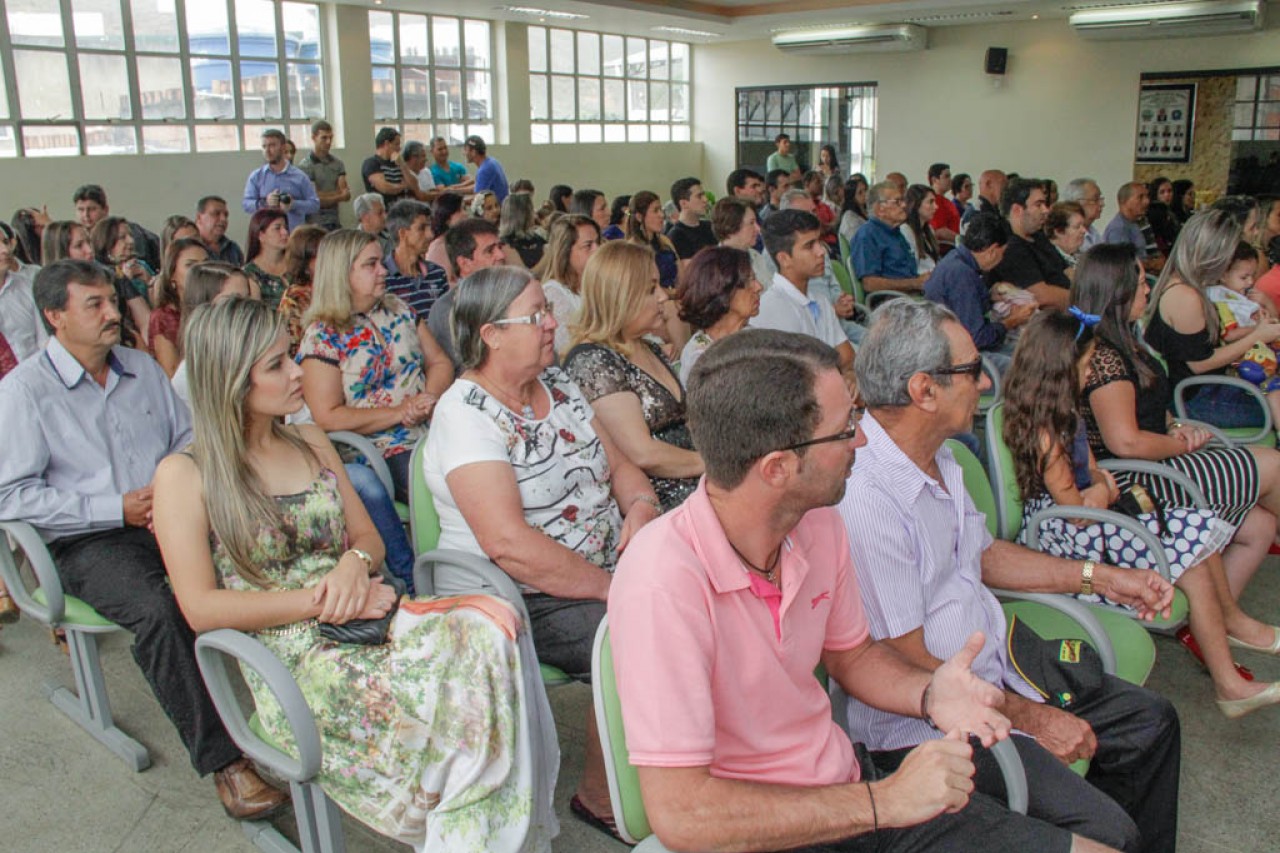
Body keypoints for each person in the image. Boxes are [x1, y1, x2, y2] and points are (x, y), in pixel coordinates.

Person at [611, 327, 1106, 853]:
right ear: (777, 468)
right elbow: (683, 814)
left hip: (848, 793)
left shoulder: (817, 524)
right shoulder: (661, 581)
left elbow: (854, 655)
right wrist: (885, 802)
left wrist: (931, 693)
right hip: (761, 831)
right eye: (845, 428)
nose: (863, 438)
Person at [152, 296, 553, 853]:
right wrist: (325, 598)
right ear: (232, 382)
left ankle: (464, 831)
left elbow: (368, 540)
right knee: (455, 693)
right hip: (288, 654)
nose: (297, 371)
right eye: (276, 365)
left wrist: (352, 564)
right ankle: (463, 827)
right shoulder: (185, 474)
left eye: (290, 355)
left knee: (495, 625)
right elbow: (200, 608)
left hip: (363, 611)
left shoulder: (311, 441)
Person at [841, 299, 1181, 853]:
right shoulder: (868, 499)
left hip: (1005, 669)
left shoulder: (938, 457)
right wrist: (1030, 717)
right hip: (935, 722)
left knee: (1150, 722)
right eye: (973, 370)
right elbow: (901, 659)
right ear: (924, 390)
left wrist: (1098, 577)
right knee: (1108, 833)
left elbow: (982, 553)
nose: (985, 382)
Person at [0, 259, 287, 821]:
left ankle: (304, 697)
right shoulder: (24, 391)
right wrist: (115, 507)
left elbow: (185, 438)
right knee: (161, 606)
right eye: (95, 305)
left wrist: (176, 491)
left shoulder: (140, 368)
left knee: (262, 552)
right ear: (55, 317)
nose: (113, 313)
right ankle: (227, 762)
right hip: (89, 539)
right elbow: (10, 495)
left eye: (113, 299)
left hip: (168, 514)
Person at [424, 265, 661, 834]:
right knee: (647, 630)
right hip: (528, 591)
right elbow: (508, 544)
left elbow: (622, 466)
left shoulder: (557, 385)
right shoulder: (465, 415)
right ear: (491, 335)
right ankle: (601, 797)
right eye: (536, 316)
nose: (552, 323)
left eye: (546, 311)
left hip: (608, 561)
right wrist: (612, 586)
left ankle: (690, 761)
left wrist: (641, 509)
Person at [1004, 309, 1280, 717]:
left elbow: (1094, 469)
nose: (1088, 373)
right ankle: (1229, 669)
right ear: (1060, 369)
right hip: (1062, 532)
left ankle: (1231, 656)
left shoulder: (1063, 411)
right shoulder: (1044, 431)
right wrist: (1100, 488)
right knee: (1190, 555)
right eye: (1084, 365)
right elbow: (1076, 511)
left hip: (1088, 516)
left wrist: (1098, 484)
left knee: (1194, 539)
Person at [1074, 242, 1280, 602]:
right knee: (1275, 466)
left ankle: (1216, 617)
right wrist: (1179, 443)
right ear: (1117, 291)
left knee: (1260, 525)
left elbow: (1152, 403)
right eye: (1139, 282)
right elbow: (1126, 443)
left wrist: (1173, 426)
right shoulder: (1103, 357)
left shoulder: (1125, 339)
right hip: (1133, 476)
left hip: (1158, 458)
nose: (1148, 288)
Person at [297, 230, 452, 503]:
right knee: (448, 486)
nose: (383, 271)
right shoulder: (323, 336)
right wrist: (400, 412)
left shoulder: (398, 309)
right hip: (376, 448)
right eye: (371, 264)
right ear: (341, 273)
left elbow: (439, 361)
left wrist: (427, 398)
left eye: (381, 261)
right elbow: (327, 416)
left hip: (430, 427)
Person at [564, 241, 703, 511]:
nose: (663, 296)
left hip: (695, 482)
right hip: (661, 500)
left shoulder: (649, 347)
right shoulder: (593, 360)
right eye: (651, 289)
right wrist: (712, 464)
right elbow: (641, 453)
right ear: (621, 296)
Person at [1143, 208, 1280, 430]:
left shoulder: (1187, 284)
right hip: (1197, 398)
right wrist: (1257, 335)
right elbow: (1199, 363)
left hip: (1205, 389)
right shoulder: (1186, 295)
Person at [755, 209, 858, 391]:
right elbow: (794, 383)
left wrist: (850, 376)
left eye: (819, 242)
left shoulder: (819, 301)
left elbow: (847, 358)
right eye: (809, 246)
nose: (821, 252)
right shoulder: (770, 310)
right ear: (784, 259)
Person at [924, 211, 1030, 374]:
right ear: (993, 250)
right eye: (1003, 252)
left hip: (947, 347)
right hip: (957, 360)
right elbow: (977, 338)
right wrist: (1012, 321)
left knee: (1029, 352)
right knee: (1031, 366)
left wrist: (988, 296)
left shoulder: (955, 258)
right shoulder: (962, 274)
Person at [426, 217, 508, 371]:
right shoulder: (447, 310)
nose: (501, 255)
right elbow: (473, 367)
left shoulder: (516, 295)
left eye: (500, 247)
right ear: (464, 263)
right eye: (490, 251)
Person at [170, 262, 255, 404]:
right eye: (232, 301)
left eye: (247, 300)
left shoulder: (251, 355)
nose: (244, 310)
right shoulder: (189, 376)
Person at [675, 244, 761, 382]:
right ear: (723, 290)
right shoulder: (701, 359)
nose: (758, 287)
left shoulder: (754, 337)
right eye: (749, 281)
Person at [987, 178, 1070, 310]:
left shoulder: (1038, 236)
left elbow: (1067, 271)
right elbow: (1042, 296)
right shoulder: (1010, 247)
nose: (1046, 210)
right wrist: (1083, 299)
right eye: (1038, 205)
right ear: (1017, 210)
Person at [537, 213, 600, 355]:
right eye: (588, 245)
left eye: (597, 242)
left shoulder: (596, 284)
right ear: (565, 251)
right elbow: (566, 349)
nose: (597, 250)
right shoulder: (553, 293)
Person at [849, 181, 929, 294]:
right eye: (897, 202)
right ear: (880, 209)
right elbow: (870, 283)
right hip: (890, 302)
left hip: (909, 295)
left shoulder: (896, 232)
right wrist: (914, 283)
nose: (904, 205)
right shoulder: (867, 235)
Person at [148, 237, 210, 376]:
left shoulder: (213, 310)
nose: (200, 271)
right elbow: (172, 375)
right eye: (191, 265)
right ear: (172, 274)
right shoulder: (163, 318)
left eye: (206, 264)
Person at [241, 128, 320, 232]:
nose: (267, 151)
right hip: (267, 236)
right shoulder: (256, 177)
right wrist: (265, 203)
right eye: (264, 146)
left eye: (272, 145)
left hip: (292, 235)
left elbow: (315, 204)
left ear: (283, 148)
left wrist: (294, 204)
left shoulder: (300, 177)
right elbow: (246, 204)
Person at [382, 199, 447, 323]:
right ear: (402, 233)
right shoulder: (382, 278)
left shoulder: (437, 273)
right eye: (422, 228)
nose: (430, 235)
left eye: (429, 227)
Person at [91, 216, 152, 347]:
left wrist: (150, 282)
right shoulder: (102, 275)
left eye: (130, 235)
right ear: (107, 243)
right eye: (122, 238)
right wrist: (125, 282)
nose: (130, 241)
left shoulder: (142, 266)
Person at [72, 184, 161, 271]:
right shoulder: (72, 237)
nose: (86, 215)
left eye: (92, 209)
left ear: (105, 210)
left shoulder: (131, 232)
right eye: (80, 209)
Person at [277, 225, 328, 353]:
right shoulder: (295, 298)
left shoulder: (334, 290)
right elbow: (292, 347)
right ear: (305, 261)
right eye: (322, 255)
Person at [712, 196, 775, 292]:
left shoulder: (755, 255)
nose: (758, 229)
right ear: (732, 226)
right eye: (751, 223)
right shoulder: (716, 268)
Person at [297, 119, 350, 231]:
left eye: (330, 138)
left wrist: (326, 195)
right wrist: (337, 195)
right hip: (315, 223)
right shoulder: (305, 165)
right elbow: (316, 199)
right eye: (324, 138)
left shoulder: (338, 163)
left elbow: (346, 194)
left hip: (335, 221)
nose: (328, 142)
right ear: (314, 138)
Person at [0, 239, 45, 363]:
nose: (5, 250)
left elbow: (44, 341)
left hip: (34, 373)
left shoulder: (28, 286)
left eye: (5, 242)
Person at [625, 189, 680, 291]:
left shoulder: (665, 241)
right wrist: (672, 293)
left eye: (661, 210)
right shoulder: (632, 248)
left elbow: (680, 275)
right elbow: (641, 288)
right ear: (639, 217)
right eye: (655, 211)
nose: (662, 215)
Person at [1103, 183, 1164, 275]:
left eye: (1147, 196)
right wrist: (1152, 265)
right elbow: (1123, 265)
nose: (1146, 201)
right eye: (1140, 197)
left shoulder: (1137, 222)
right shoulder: (1118, 229)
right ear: (1124, 201)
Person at [243, 208, 291, 308]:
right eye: (277, 228)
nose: (285, 232)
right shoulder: (250, 273)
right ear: (261, 235)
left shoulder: (296, 265)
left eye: (286, 228)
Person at [665, 177, 716, 263]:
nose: (705, 200)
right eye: (699, 196)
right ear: (684, 203)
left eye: (704, 195)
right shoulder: (676, 235)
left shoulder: (710, 226)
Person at [361, 127, 411, 208]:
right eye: (396, 144)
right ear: (387, 144)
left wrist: (403, 165)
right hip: (383, 211)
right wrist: (403, 186)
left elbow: (413, 184)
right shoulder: (371, 163)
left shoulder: (398, 162)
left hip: (402, 211)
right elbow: (385, 188)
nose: (399, 148)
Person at [424, 192, 466, 283]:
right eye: (460, 210)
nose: (465, 214)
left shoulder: (456, 241)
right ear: (447, 217)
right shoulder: (439, 247)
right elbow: (444, 284)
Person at [499, 193, 547, 268]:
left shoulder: (537, 238)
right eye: (531, 210)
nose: (535, 215)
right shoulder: (505, 244)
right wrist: (548, 257)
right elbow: (525, 276)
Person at [1045, 201, 1089, 281]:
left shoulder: (1083, 256)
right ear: (1058, 231)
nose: (1084, 230)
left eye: (1083, 225)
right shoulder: (1048, 261)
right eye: (1077, 227)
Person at [902, 184, 940, 276]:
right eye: (931, 202)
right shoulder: (905, 230)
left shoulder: (929, 230)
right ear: (916, 204)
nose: (936, 207)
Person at [195, 195, 243, 265]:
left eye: (226, 215)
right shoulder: (190, 247)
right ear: (199, 217)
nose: (223, 219)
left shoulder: (232, 248)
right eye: (216, 214)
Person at [465, 135, 509, 203]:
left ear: (473, 152)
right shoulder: (491, 162)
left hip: (497, 211)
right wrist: (454, 189)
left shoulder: (484, 170)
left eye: (466, 150)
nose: (464, 153)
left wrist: (458, 202)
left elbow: (477, 200)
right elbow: (478, 186)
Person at [927, 163, 961, 247]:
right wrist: (962, 240)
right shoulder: (934, 201)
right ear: (934, 180)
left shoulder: (946, 201)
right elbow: (939, 231)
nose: (950, 180)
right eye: (946, 176)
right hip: (945, 251)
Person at [1145, 177, 1179, 256]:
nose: (1167, 195)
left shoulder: (1171, 211)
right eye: (1162, 192)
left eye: (1170, 191)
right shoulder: (1154, 213)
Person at [838, 174, 869, 246]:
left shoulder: (868, 211)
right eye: (860, 193)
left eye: (865, 190)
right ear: (852, 197)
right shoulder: (850, 217)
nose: (865, 194)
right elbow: (858, 242)